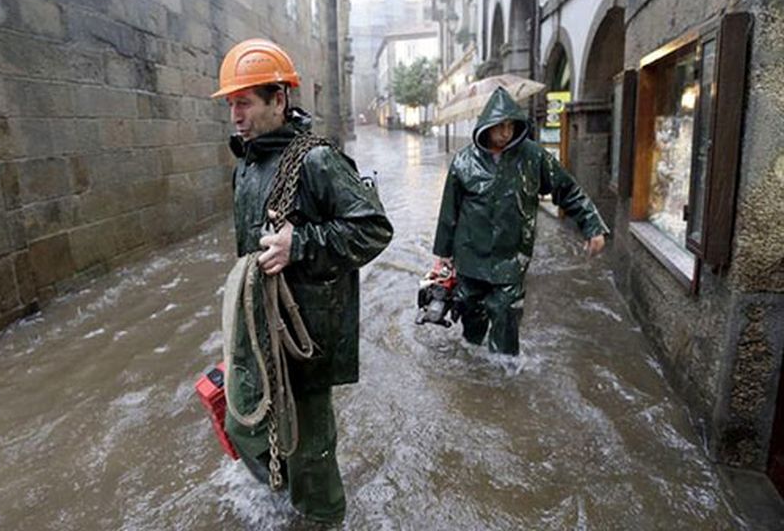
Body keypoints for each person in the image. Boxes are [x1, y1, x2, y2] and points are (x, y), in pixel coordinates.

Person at [212, 38, 393, 524]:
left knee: (311, 446)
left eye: (245, 102)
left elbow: (373, 229)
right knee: (241, 420)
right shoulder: (246, 166)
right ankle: (287, 487)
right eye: (231, 104)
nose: (236, 115)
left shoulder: (316, 160)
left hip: (306, 333)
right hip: (260, 327)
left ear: (279, 99)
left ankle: (322, 516)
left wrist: (302, 245)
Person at [430, 86, 608, 356]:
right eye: (499, 126)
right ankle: (472, 356)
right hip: (470, 258)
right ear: (486, 126)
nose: (505, 133)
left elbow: (567, 190)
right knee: (471, 315)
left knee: (507, 315)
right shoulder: (463, 162)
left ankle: (505, 374)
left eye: (511, 126)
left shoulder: (533, 157)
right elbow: (449, 211)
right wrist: (443, 254)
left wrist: (592, 225)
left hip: (511, 257)